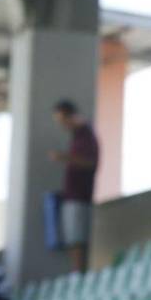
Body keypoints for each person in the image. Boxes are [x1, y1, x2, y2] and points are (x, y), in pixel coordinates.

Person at [49, 99, 100, 273]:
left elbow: (90, 163)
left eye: (62, 120)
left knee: (77, 237)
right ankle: (76, 273)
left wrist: (65, 157)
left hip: (80, 196)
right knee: (72, 237)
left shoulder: (86, 134)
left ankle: (79, 274)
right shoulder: (78, 136)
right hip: (73, 195)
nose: (62, 125)